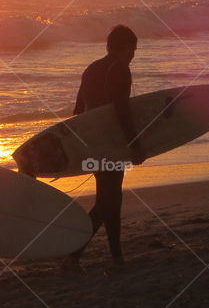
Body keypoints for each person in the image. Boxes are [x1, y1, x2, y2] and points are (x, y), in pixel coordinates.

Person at [63, 25, 145, 271]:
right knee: (108, 200)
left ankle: (115, 257)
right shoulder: (119, 69)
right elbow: (121, 110)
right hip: (111, 144)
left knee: (110, 198)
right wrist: (134, 144)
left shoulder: (90, 69)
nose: (133, 56)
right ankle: (74, 253)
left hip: (93, 143)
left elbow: (78, 110)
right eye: (133, 50)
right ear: (126, 48)